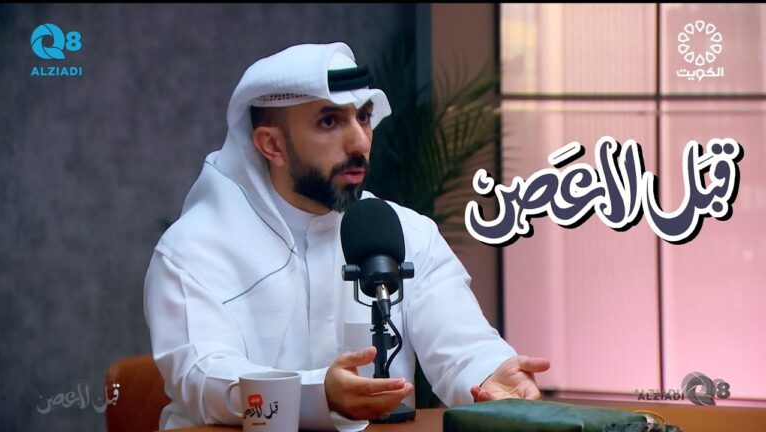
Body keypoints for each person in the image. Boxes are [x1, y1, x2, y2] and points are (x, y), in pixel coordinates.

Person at [143, 42, 550, 430]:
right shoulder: (194, 251)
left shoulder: (406, 233)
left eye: (364, 117)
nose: (360, 141)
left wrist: (493, 374)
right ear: (272, 145)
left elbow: (462, 346)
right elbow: (203, 376)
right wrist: (317, 392)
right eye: (329, 121)